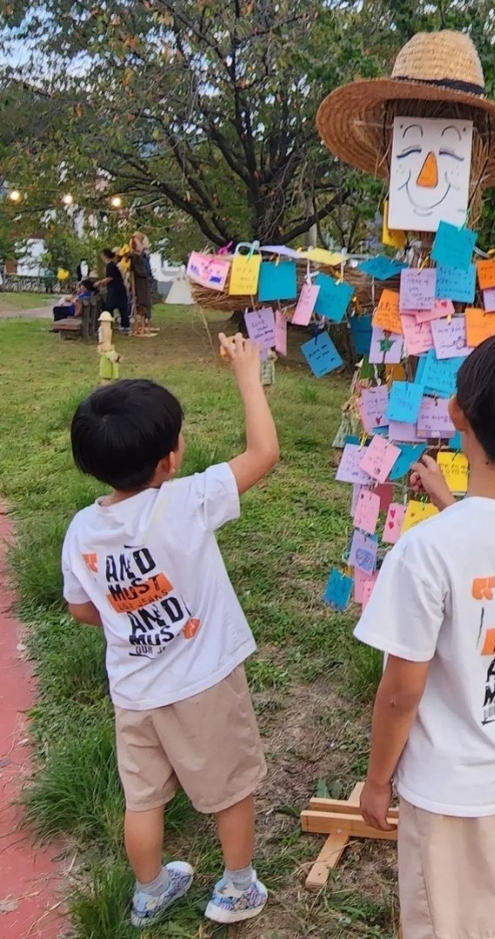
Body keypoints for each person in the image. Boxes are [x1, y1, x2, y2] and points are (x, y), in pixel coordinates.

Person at [353, 330, 495, 939]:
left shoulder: (423, 551)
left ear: (457, 412)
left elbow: (401, 691)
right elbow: (487, 550)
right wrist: (449, 500)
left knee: (439, 923)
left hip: (445, 783)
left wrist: (377, 782)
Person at [60, 333, 279, 928]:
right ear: (171, 458)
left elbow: (83, 608)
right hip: (204, 680)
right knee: (230, 784)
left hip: (134, 693)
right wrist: (246, 374)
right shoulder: (185, 501)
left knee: (144, 798)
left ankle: (150, 890)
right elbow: (263, 453)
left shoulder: (83, 530)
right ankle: (235, 888)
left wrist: (125, 613)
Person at [96, 249, 131, 334]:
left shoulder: (110, 265)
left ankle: (110, 324)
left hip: (115, 290)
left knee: (109, 307)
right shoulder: (113, 265)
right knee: (121, 307)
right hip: (118, 289)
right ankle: (123, 325)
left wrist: (100, 282)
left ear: (105, 256)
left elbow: (110, 278)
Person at [129, 232, 155, 334]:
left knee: (145, 302)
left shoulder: (142, 257)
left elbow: (145, 271)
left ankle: (145, 324)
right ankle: (142, 325)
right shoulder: (136, 257)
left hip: (143, 282)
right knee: (142, 303)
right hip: (140, 283)